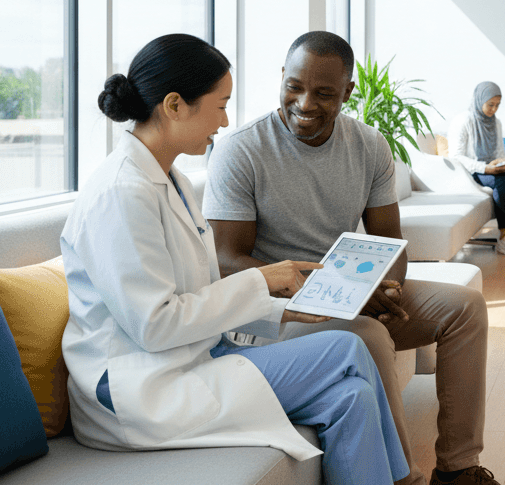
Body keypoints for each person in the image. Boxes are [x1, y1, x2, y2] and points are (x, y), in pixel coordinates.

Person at [61, 34, 408, 485]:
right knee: (347, 347)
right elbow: (155, 325)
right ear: (174, 105)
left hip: (189, 360)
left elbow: (199, 294)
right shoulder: (121, 194)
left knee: (352, 397)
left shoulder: (172, 181)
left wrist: (285, 308)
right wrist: (264, 282)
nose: (225, 121)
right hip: (135, 389)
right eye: (220, 104)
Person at [204, 31, 499, 485]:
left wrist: (385, 286)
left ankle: (458, 469)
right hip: (277, 313)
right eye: (294, 87)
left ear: (348, 92)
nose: (304, 103)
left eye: (324, 93)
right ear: (282, 78)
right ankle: (404, 479)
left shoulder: (369, 146)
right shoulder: (241, 151)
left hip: (350, 296)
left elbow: (390, 240)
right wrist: (339, 296)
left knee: (465, 308)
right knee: (367, 335)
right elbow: (227, 261)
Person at [448, 81, 505, 257]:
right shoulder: (463, 120)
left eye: (497, 105)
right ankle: (504, 237)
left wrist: (502, 163)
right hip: (472, 172)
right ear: (479, 99)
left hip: (492, 169)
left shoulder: (495, 123)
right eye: (490, 105)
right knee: (503, 181)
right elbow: (456, 157)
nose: (494, 109)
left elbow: (499, 152)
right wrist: (485, 168)